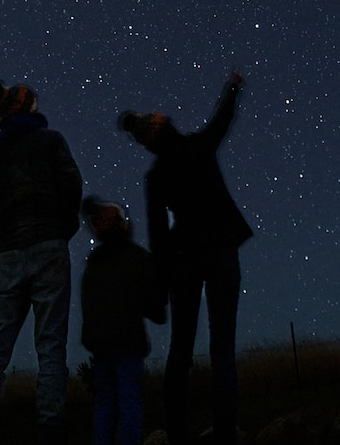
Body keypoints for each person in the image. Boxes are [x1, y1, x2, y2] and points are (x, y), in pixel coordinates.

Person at [118, 70, 253, 445]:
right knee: (222, 346)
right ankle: (225, 431)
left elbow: (159, 237)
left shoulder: (157, 175)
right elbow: (222, 121)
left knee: (181, 347)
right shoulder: (197, 147)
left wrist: (161, 287)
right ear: (159, 129)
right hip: (221, 250)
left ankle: (177, 433)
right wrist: (231, 88)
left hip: (184, 261)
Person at [0, 80, 83, 445]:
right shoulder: (51, 140)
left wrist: (2, 242)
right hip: (49, 246)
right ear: (28, 106)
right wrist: (62, 229)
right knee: (50, 344)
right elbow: (72, 185)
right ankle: (50, 427)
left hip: (9, 254)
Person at [79, 195, 167, 445]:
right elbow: (155, 307)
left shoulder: (94, 263)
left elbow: (89, 306)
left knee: (105, 402)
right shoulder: (138, 258)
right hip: (128, 343)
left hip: (101, 344)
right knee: (128, 399)